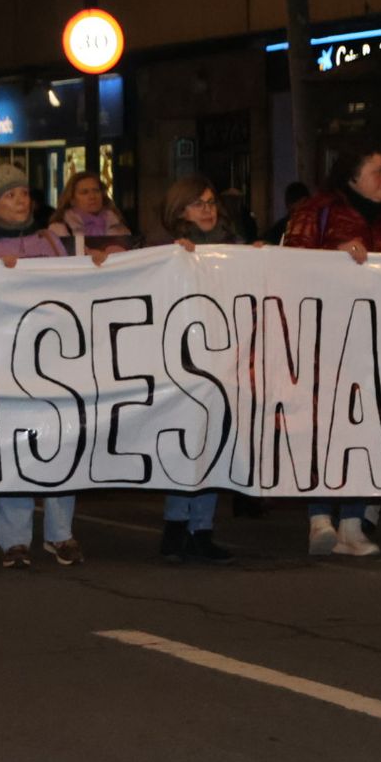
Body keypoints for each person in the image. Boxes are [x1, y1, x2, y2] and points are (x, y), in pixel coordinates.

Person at [283, 143, 381, 557]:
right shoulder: (317, 209)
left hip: (378, 337)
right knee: (323, 425)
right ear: (352, 176)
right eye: (377, 170)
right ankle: (320, 519)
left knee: (367, 426)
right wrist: (332, 255)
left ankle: (353, 523)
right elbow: (290, 262)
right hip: (325, 337)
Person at [0, 164, 86, 569]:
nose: (20, 201)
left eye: (24, 194)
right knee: (10, 445)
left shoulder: (51, 239)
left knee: (61, 442)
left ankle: (60, 534)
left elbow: (75, 286)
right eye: (10, 195)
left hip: (50, 358)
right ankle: (14, 539)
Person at [156, 174, 246, 564]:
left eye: (211, 202)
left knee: (214, 440)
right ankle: (178, 523)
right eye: (198, 204)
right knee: (188, 441)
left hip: (226, 356)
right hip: (184, 355)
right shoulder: (171, 250)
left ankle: (200, 528)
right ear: (180, 211)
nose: (208, 210)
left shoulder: (234, 246)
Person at [50, 170, 131, 245]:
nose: (92, 196)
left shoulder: (118, 226)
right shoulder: (59, 229)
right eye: (84, 192)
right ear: (72, 200)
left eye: (96, 191)